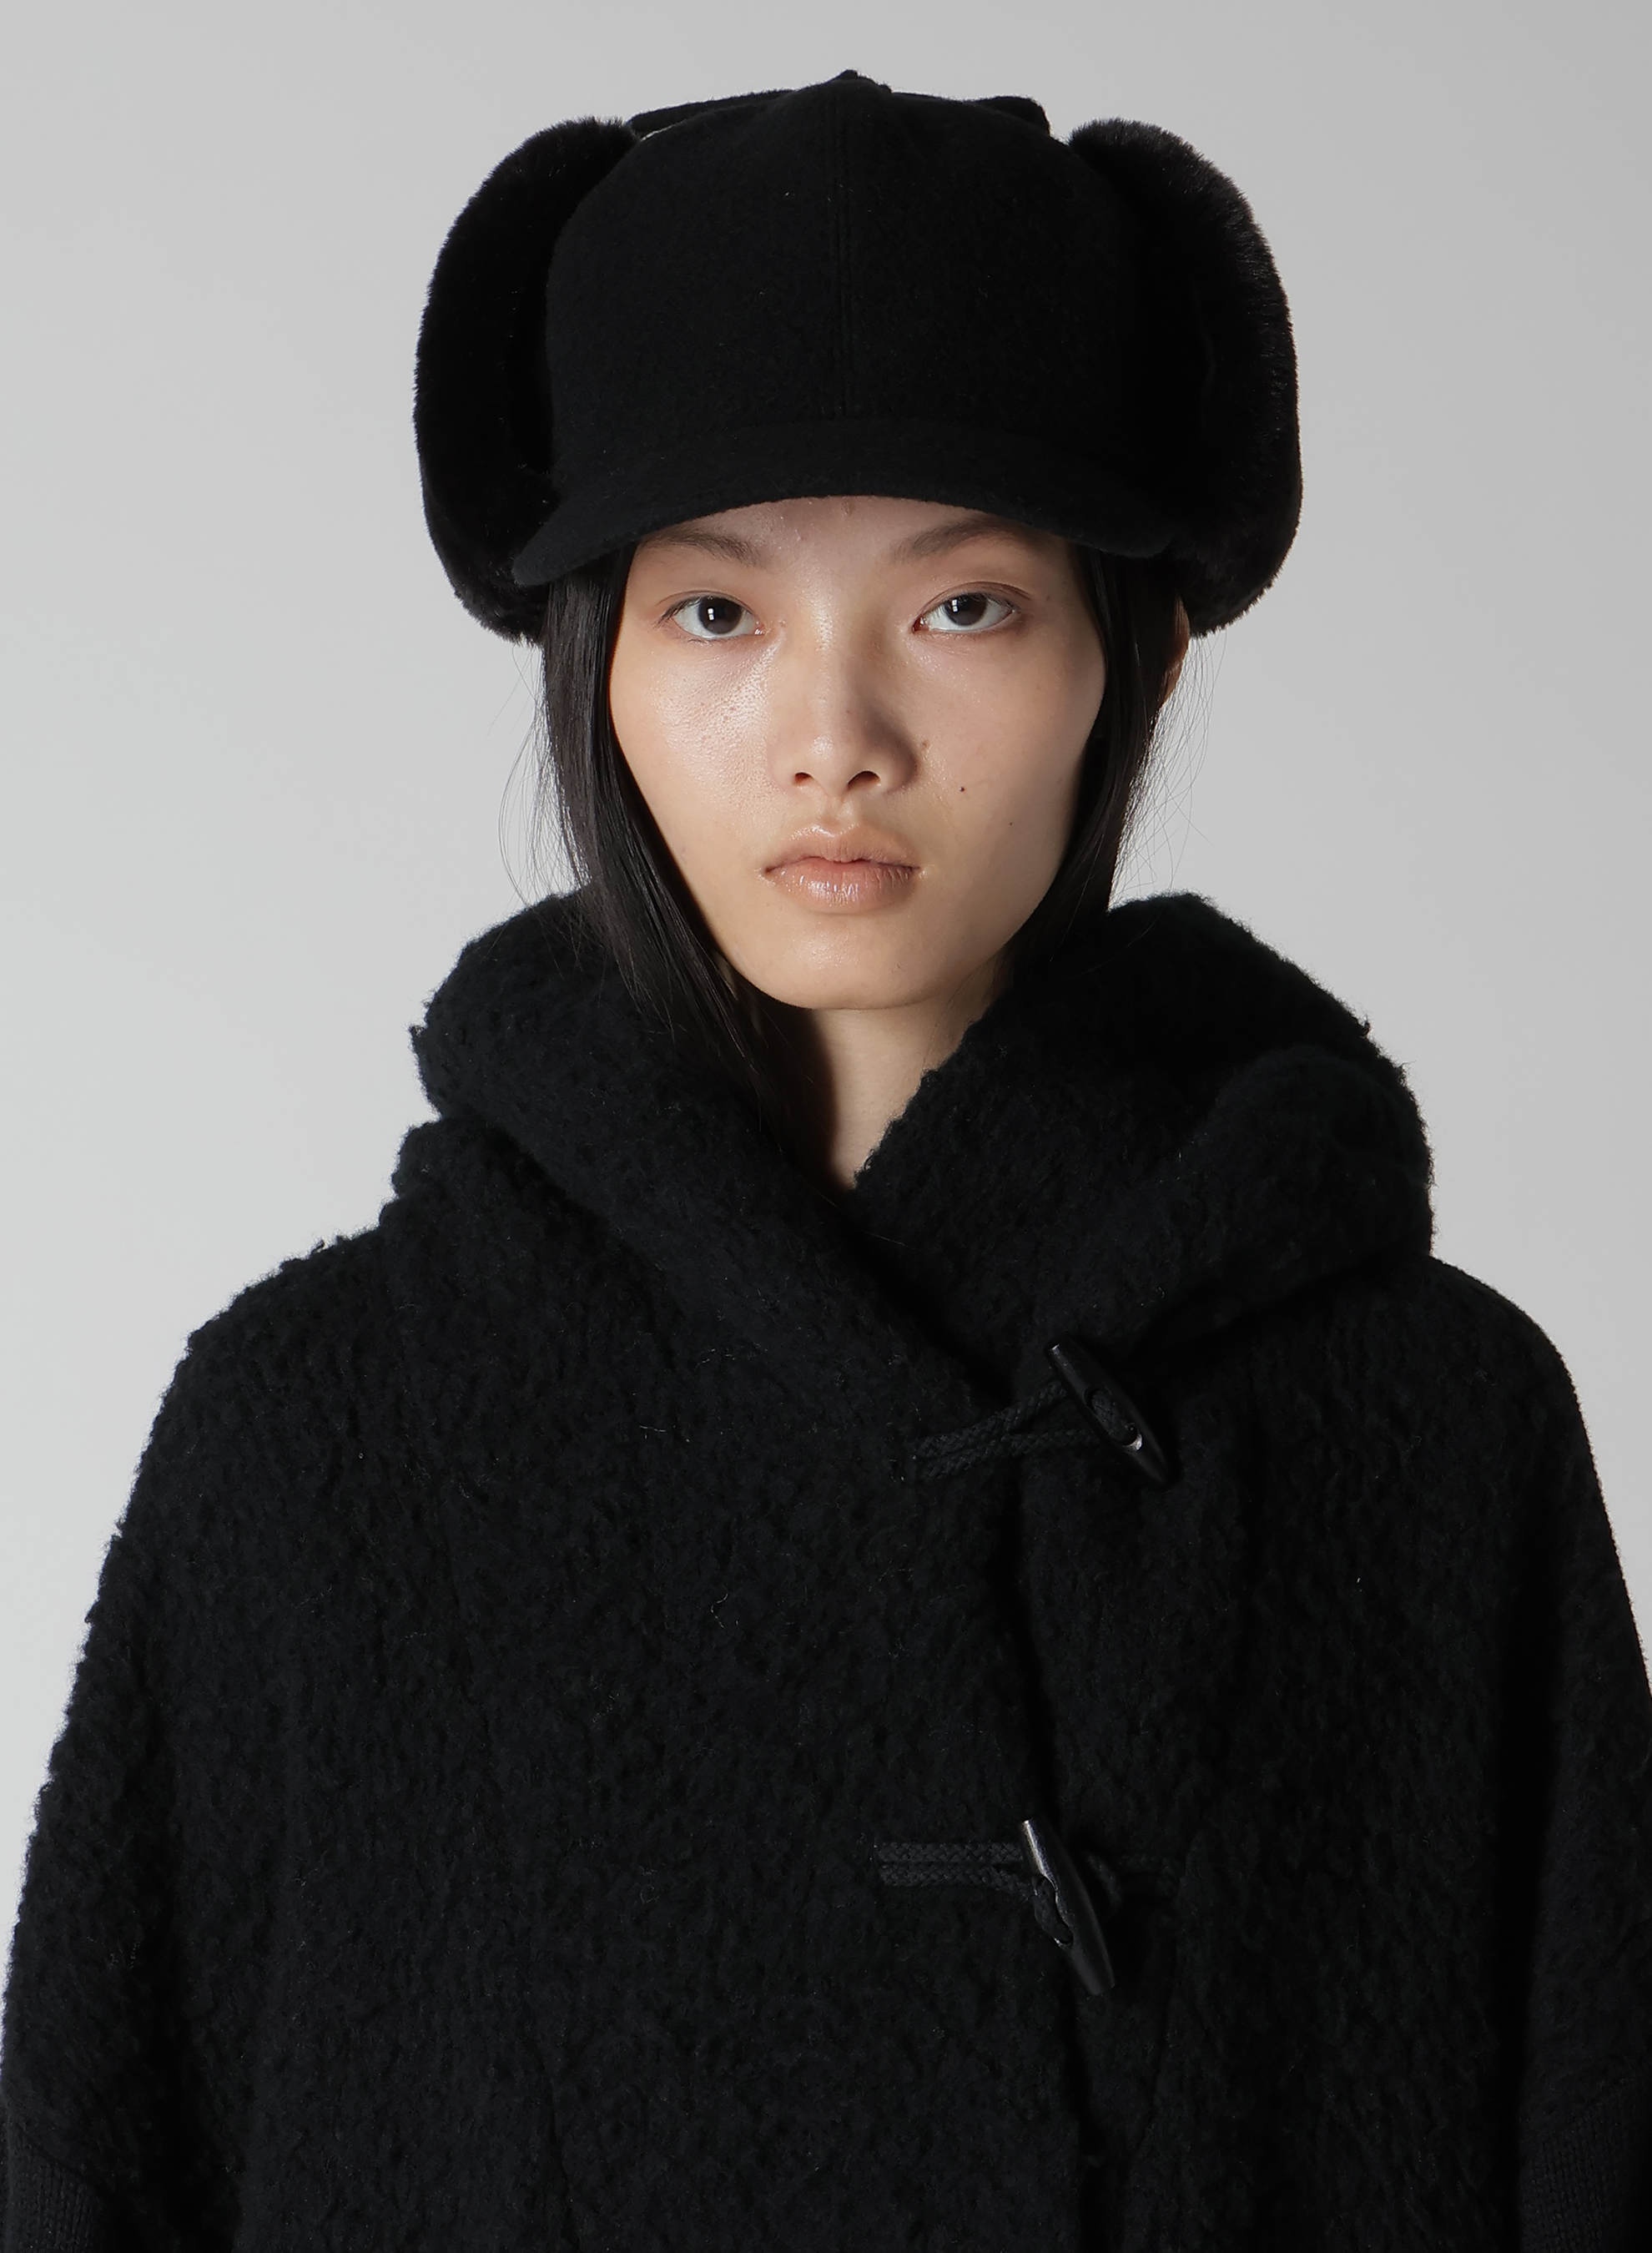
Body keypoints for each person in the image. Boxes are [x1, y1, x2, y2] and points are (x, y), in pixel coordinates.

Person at [3, 71, 1649, 2253]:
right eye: (717, 614)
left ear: (1138, 654)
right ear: (594, 665)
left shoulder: (1431, 1427)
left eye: (963, 609)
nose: (833, 737)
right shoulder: (315, 1433)